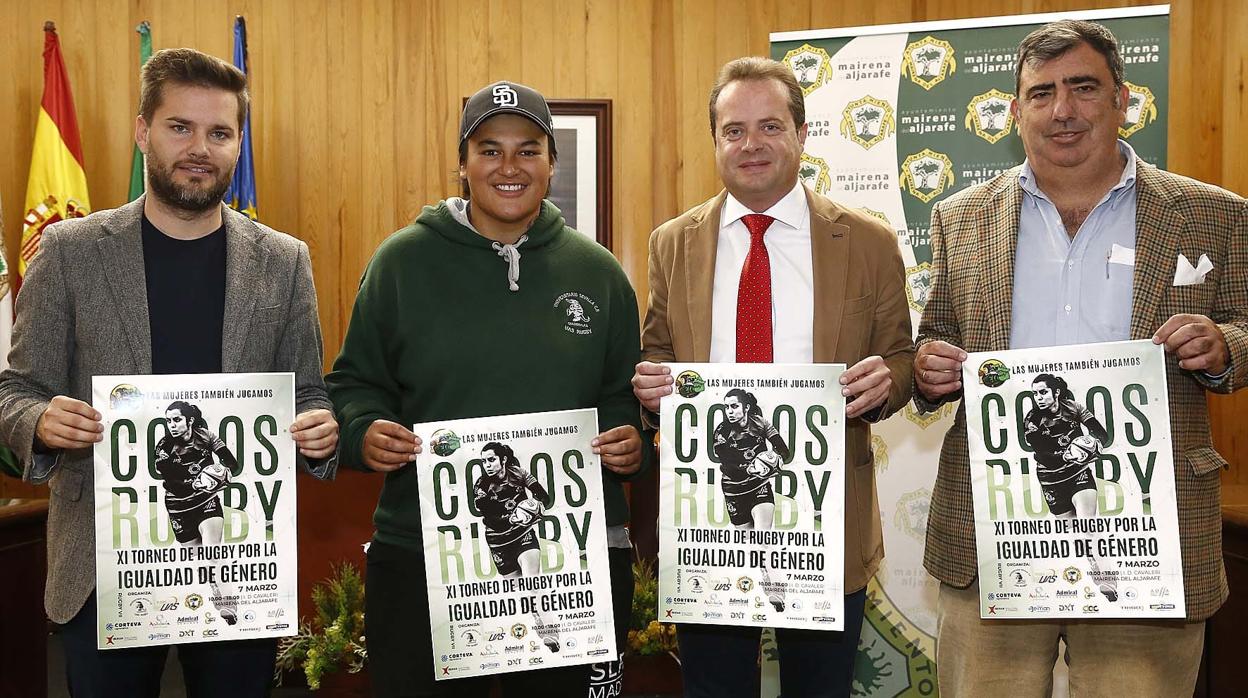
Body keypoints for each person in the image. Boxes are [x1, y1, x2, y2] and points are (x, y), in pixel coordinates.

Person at [914, 19, 1247, 697]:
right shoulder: (959, 217)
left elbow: (1244, 323)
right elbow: (935, 333)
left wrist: (1225, 345)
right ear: (1015, 110)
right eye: (1041, 93)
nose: (1062, 110)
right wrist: (927, 368)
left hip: (1145, 531)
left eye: (1083, 88)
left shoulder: (1215, 214)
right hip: (994, 532)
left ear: (1123, 99)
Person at [0, 47, 339, 697]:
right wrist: (40, 420)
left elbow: (308, 391)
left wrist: (319, 429)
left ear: (238, 143)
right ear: (142, 130)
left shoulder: (285, 262)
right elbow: (15, 390)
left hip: (236, 559)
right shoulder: (69, 252)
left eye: (219, 133)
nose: (199, 149)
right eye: (179, 127)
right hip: (104, 568)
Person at [326, 80, 645, 697]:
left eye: (528, 150)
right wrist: (365, 432)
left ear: (552, 164)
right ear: (463, 164)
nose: (509, 167)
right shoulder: (400, 263)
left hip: (570, 560)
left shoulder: (599, 273)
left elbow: (622, 393)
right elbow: (354, 383)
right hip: (423, 552)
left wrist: (631, 438)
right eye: (489, 150)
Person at [632, 56, 914, 698]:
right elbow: (657, 353)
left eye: (769, 126)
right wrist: (651, 394)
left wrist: (886, 382)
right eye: (733, 130)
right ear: (715, 142)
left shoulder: (867, 242)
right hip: (712, 521)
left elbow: (900, 357)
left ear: (803, 134)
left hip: (826, 518)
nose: (751, 145)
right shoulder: (673, 244)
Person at [1021, 373, 1113, 599]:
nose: (1038, 397)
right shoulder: (1032, 419)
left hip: (1078, 474)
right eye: (1035, 393)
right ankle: (1092, 570)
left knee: (1088, 526)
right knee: (1077, 539)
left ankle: (1108, 581)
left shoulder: (1075, 408)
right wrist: (1070, 454)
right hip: (1051, 480)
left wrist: (1093, 445)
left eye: (1042, 392)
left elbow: (1102, 435)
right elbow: (1042, 453)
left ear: (1056, 392)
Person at [712, 388, 791, 530]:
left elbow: (784, 450)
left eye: (734, 406)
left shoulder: (761, 423)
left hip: (759, 487)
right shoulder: (721, 432)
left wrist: (775, 460)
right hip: (733, 491)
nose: (729, 411)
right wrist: (753, 468)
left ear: (746, 407)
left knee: (761, 539)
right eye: (727, 407)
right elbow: (730, 468)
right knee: (748, 546)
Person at [473, 441, 553, 578]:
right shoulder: (482, 486)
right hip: (498, 543)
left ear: (503, 459)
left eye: (491, 460)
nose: (487, 465)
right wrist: (514, 518)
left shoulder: (519, 473)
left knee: (532, 585)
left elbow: (544, 497)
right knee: (517, 594)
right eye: (484, 461)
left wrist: (536, 508)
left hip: (523, 535)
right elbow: (491, 520)